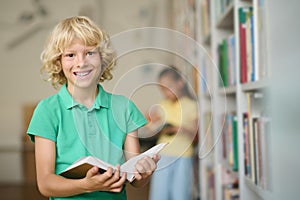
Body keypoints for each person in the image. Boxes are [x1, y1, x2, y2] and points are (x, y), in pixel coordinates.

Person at [27, 16, 159, 200]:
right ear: (58, 62)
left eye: (90, 52)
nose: (81, 62)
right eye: (70, 55)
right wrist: (86, 186)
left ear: (102, 58)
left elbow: (135, 180)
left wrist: (145, 173)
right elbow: (46, 184)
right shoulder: (47, 111)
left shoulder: (124, 108)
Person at [148, 66, 199, 200]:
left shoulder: (191, 105)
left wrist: (179, 129)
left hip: (183, 156)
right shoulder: (163, 104)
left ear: (180, 82)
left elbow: (195, 134)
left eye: (168, 87)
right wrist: (152, 122)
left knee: (180, 193)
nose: (166, 93)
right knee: (159, 194)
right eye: (162, 89)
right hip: (162, 155)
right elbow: (154, 127)